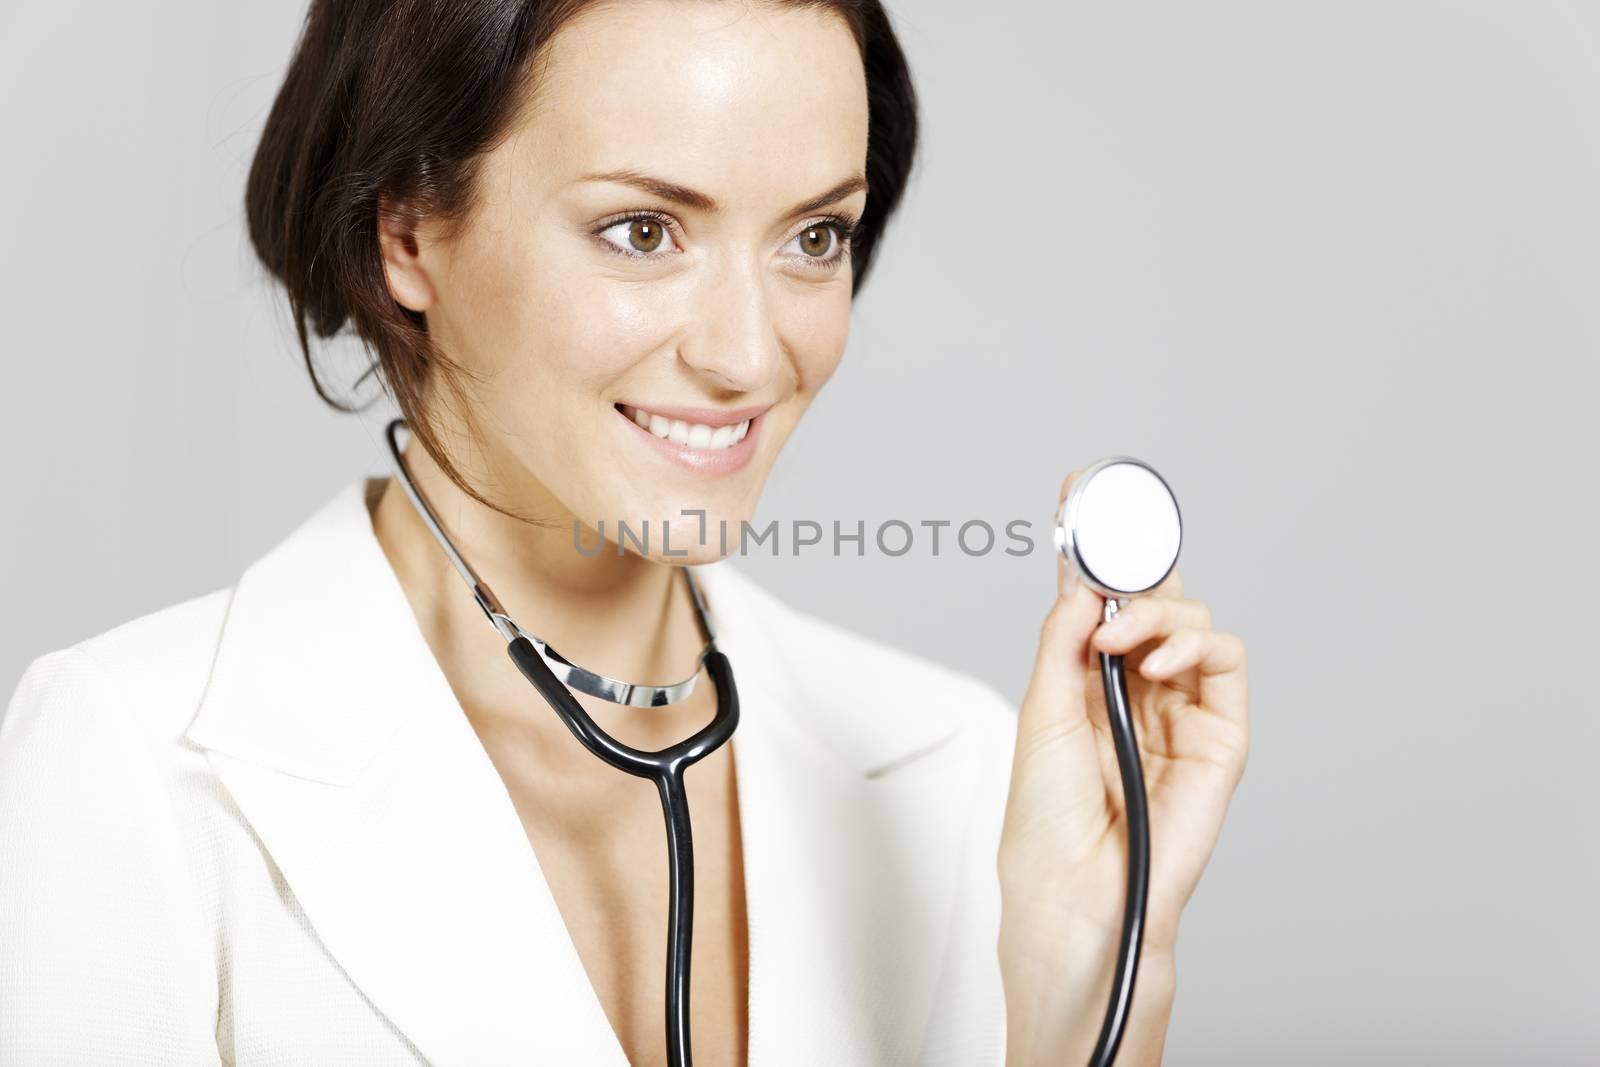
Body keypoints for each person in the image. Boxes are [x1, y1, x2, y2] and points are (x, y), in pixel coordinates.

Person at [0, 1, 1250, 1063]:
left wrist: (1086, 1004)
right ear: (408, 234)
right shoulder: (135, 766)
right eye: (642, 231)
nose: (751, 353)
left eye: (815, 238)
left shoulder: (962, 772)